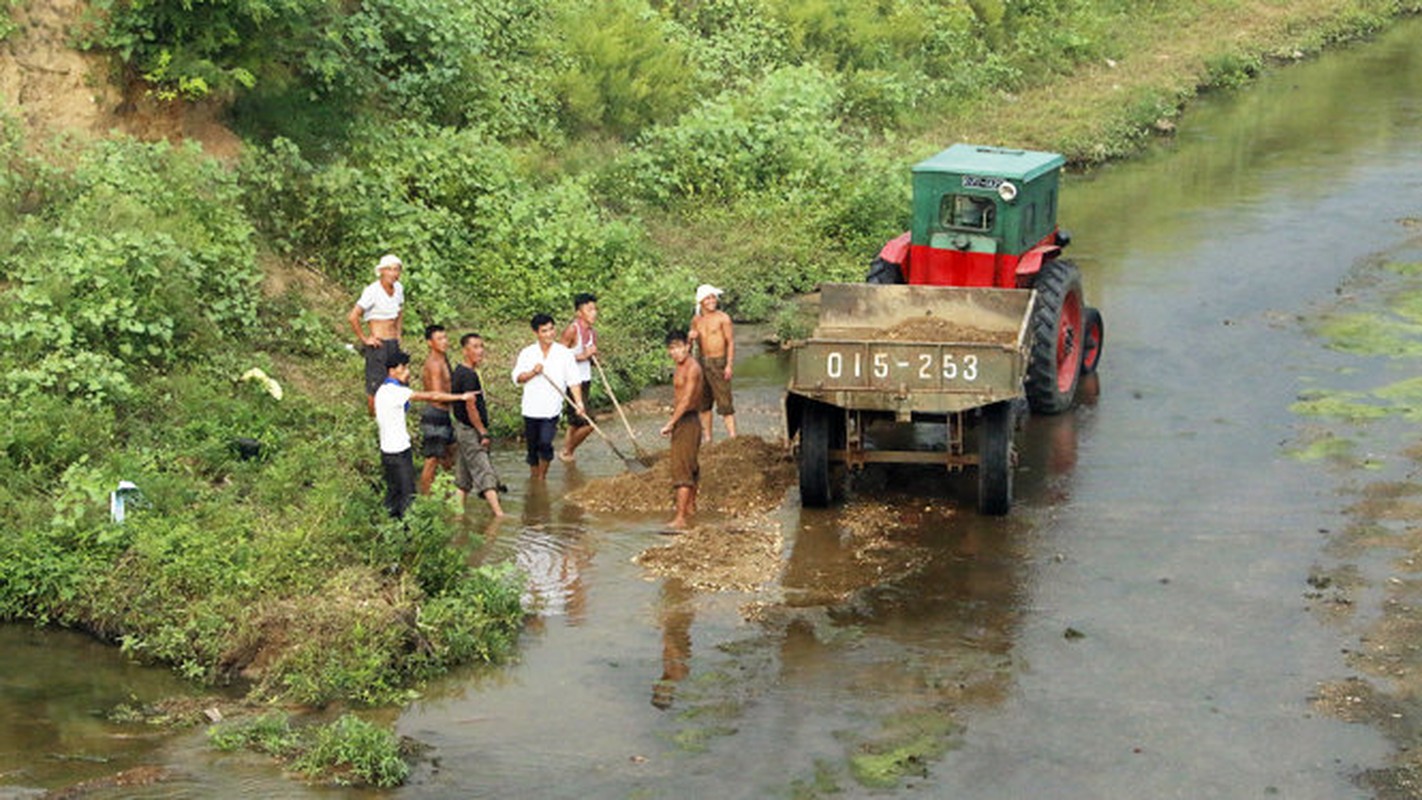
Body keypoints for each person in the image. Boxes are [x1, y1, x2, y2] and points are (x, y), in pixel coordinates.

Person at [374, 351, 477, 519]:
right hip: (400, 452)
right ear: (392, 371)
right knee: (408, 495)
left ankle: (391, 529)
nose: (407, 372)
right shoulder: (396, 392)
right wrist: (461, 397)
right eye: (403, 368)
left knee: (393, 494)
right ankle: (408, 533)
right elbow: (432, 395)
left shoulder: (382, 391)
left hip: (387, 452)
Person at [512, 313, 584, 480]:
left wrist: (579, 402)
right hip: (530, 408)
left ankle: (541, 478)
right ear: (536, 332)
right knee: (532, 448)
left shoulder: (564, 354)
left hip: (551, 409)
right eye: (544, 331)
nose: (549, 334)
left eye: (551, 329)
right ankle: (534, 475)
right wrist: (532, 372)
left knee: (545, 443)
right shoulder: (527, 353)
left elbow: (573, 381)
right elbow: (517, 378)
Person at [451, 332, 505, 517]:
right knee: (484, 470)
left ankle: (458, 514)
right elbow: (471, 406)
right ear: (465, 351)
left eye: (481, 346)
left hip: (462, 428)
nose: (480, 351)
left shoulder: (460, 371)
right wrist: (482, 432)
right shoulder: (467, 376)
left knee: (464, 477)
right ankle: (499, 515)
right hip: (470, 430)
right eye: (475, 347)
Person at [348, 254, 405, 416]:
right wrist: (365, 339)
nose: (393, 273)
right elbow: (353, 317)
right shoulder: (372, 291)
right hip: (378, 344)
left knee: (395, 379)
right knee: (375, 384)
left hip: (393, 342)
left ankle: (391, 415)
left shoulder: (399, 288)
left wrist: (398, 333)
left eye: (396, 270)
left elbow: (400, 311)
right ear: (381, 271)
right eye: (389, 270)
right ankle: (373, 419)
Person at [660, 330, 704, 530]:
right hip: (685, 420)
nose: (675, 352)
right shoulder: (681, 365)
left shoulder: (692, 368)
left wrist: (671, 423)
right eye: (671, 348)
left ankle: (680, 518)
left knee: (682, 468)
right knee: (690, 464)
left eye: (679, 347)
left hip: (687, 420)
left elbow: (686, 400)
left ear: (687, 346)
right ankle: (690, 508)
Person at [688, 283, 736, 442]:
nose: (711, 301)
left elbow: (730, 342)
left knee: (725, 402)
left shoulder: (723, 318)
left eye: (713, 297)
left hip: (719, 362)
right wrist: (690, 337)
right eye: (707, 298)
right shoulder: (696, 320)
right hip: (702, 363)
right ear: (701, 301)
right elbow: (689, 347)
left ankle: (733, 437)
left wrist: (729, 365)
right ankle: (708, 439)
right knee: (704, 403)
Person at [558, 292, 599, 463]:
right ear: (579, 313)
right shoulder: (572, 330)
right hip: (572, 382)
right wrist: (582, 356)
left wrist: (593, 359)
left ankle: (567, 453)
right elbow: (559, 354)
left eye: (595, 309)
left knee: (575, 422)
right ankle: (567, 450)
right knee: (590, 423)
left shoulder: (591, 332)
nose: (594, 313)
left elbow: (590, 355)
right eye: (589, 309)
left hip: (585, 379)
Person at [418, 324, 456, 495]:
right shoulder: (434, 364)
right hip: (435, 414)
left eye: (445, 337)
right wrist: (461, 399)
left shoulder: (444, 359)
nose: (444, 342)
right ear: (429, 343)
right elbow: (436, 395)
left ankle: (447, 495)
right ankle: (425, 500)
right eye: (439, 339)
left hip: (444, 414)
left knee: (449, 458)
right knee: (432, 460)